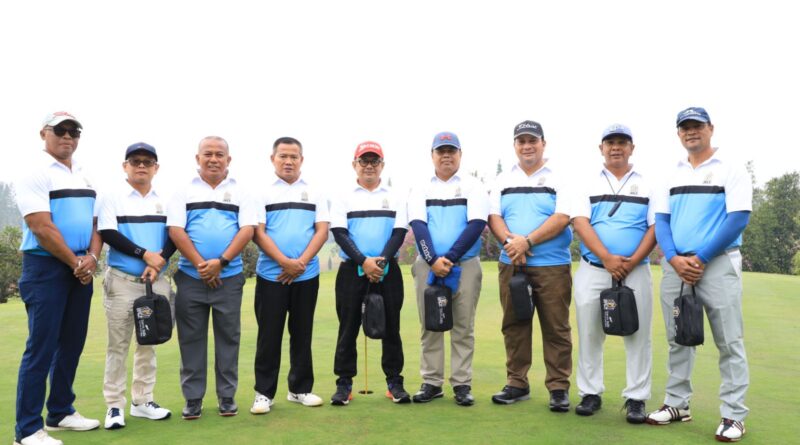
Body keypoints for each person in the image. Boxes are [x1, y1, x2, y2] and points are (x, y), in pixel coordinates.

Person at [647, 107, 752, 442]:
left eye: (697, 126)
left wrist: (701, 257)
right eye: (685, 127)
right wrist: (673, 258)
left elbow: (738, 218)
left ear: (710, 128)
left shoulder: (731, 168)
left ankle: (734, 415)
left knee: (729, 340)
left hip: (717, 263)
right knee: (679, 336)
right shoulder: (670, 172)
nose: (691, 131)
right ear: (679, 133)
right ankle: (677, 403)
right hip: (676, 266)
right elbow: (661, 220)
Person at [14, 112, 102, 445]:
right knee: (41, 347)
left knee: (72, 344)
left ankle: (61, 411)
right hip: (45, 268)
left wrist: (92, 258)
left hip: (81, 266)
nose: (67, 136)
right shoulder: (34, 172)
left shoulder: (84, 174)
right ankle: (27, 430)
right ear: (44, 133)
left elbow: (96, 223)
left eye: (73, 131)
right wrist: (76, 262)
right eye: (60, 130)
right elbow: (41, 226)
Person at [571, 124, 656, 422]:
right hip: (594, 268)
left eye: (622, 142)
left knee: (639, 334)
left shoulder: (648, 183)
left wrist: (631, 262)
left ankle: (636, 397)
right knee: (590, 331)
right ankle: (590, 392)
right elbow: (580, 222)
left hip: (636, 269)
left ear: (632, 148)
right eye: (610, 143)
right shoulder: (586, 182)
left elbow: (655, 227)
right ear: (601, 148)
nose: (616, 147)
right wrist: (607, 258)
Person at [487, 120, 573, 412]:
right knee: (514, 325)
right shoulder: (502, 179)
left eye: (532, 141)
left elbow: (562, 217)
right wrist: (511, 243)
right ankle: (517, 383)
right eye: (521, 141)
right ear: (515, 145)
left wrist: (527, 241)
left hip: (552, 266)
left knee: (556, 327)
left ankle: (558, 387)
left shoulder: (560, 176)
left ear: (543, 143)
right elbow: (494, 217)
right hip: (511, 263)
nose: (527, 146)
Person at [167, 136, 256, 419]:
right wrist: (202, 265)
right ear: (198, 158)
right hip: (190, 277)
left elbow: (247, 230)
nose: (214, 159)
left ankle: (226, 397)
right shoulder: (183, 191)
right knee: (190, 339)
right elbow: (176, 231)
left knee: (228, 338)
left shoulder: (242, 192)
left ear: (228, 159)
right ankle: (193, 398)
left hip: (229, 277)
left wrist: (221, 262)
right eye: (208, 154)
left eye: (220, 154)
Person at [97, 142, 175, 429]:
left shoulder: (166, 198)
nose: (141, 165)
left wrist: (158, 262)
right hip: (122, 281)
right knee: (118, 345)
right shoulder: (112, 197)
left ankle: (142, 401)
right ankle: (114, 406)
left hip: (155, 281)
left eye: (147, 161)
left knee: (148, 343)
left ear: (156, 167)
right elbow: (108, 233)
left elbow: (174, 235)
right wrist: (145, 255)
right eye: (135, 161)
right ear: (125, 166)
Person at [408, 131, 489, 406]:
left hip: (465, 264)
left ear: (460, 154)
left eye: (451, 150)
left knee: (463, 326)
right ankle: (432, 382)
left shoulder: (473, 185)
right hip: (427, 265)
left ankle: (461, 384)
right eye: (441, 151)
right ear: (432, 155)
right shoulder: (421, 187)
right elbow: (418, 225)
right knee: (430, 324)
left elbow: (476, 224)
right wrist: (433, 260)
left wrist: (450, 258)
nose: (446, 155)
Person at [250, 137, 329, 414]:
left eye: (294, 156)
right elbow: (258, 233)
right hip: (271, 276)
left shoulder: (315, 192)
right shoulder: (261, 192)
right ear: (273, 159)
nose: (288, 161)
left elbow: (322, 230)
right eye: (283, 156)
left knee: (302, 333)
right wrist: (284, 262)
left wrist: (300, 263)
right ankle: (264, 393)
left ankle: (299, 389)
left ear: (301, 160)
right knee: (269, 335)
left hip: (306, 275)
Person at [329, 141, 409, 405]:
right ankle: (344, 384)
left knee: (392, 327)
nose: (369, 166)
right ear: (355, 164)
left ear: (382, 165)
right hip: (352, 271)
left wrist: (380, 263)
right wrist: (364, 262)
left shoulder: (395, 196)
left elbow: (399, 233)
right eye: (364, 161)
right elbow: (340, 233)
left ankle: (394, 382)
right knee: (348, 327)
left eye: (375, 161)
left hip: (388, 271)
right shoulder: (343, 196)